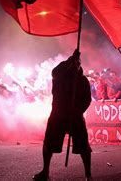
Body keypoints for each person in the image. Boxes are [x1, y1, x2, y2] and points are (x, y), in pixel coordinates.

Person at [33, 50, 92, 180]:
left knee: (83, 146)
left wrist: (78, 110)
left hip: (75, 116)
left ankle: (88, 174)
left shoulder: (82, 80)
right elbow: (56, 71)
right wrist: (71, 59)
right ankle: (45, 171)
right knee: (48, 144)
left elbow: (87, 99)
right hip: (58, 115)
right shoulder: (59, 78)